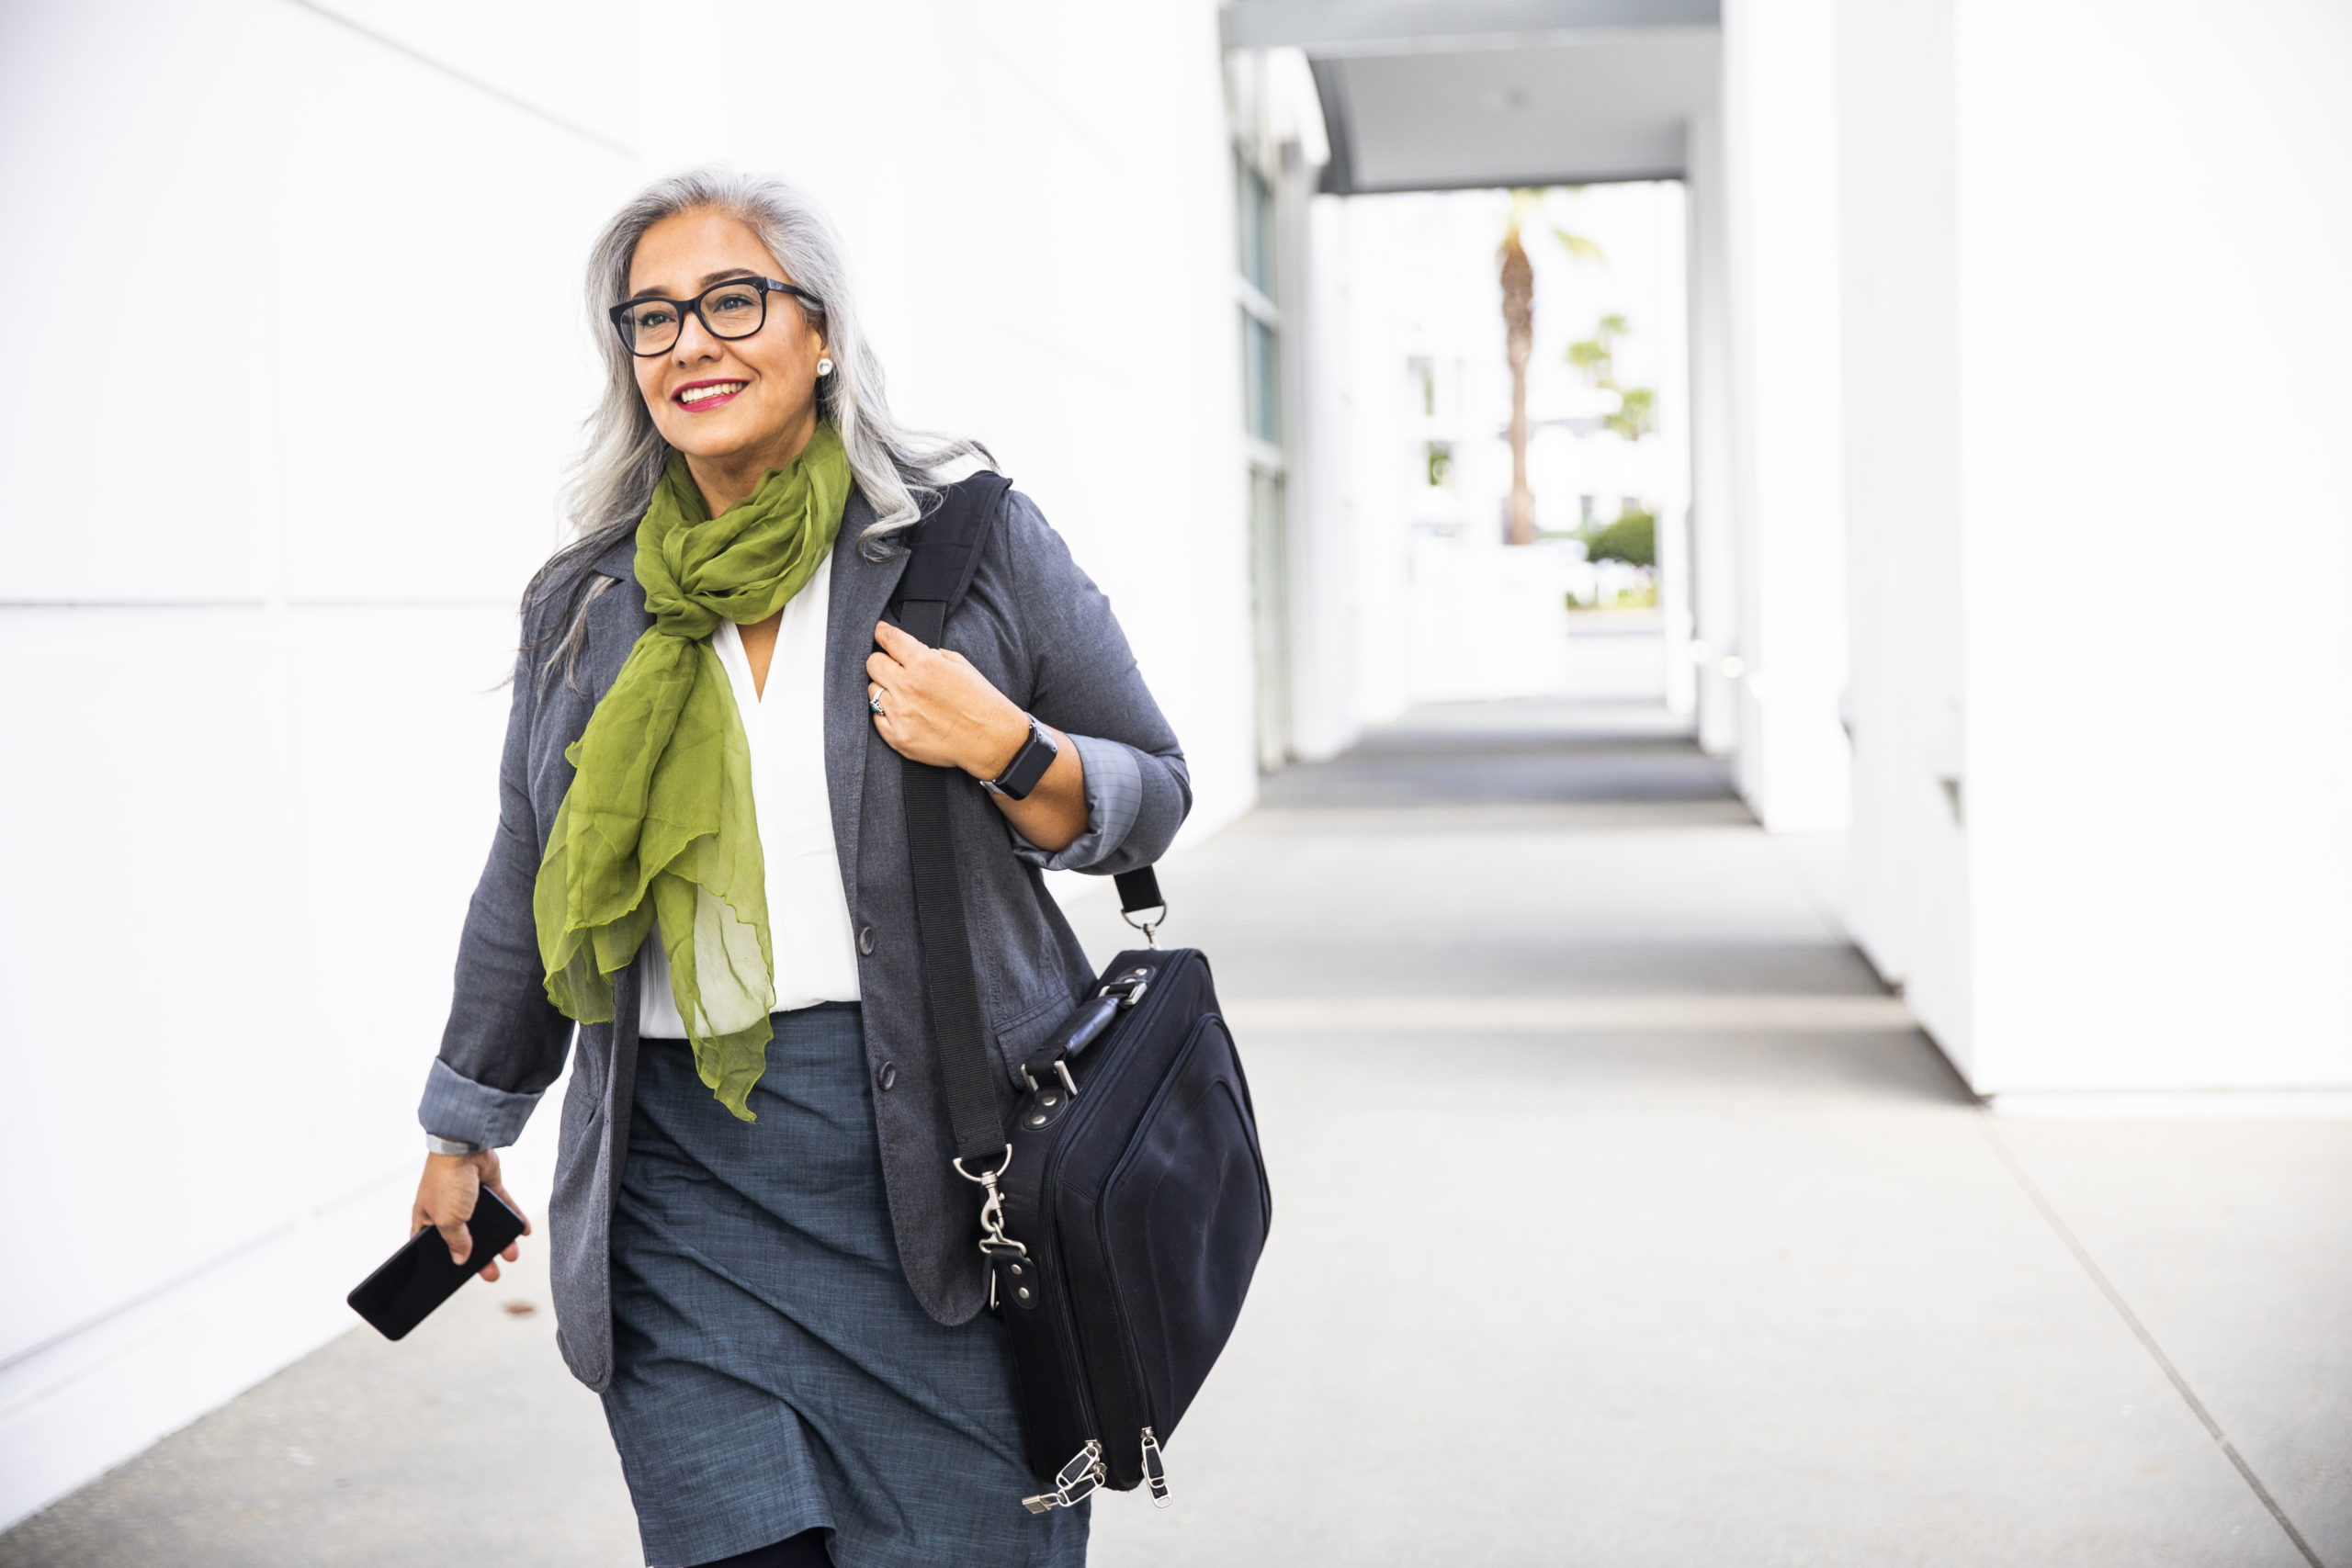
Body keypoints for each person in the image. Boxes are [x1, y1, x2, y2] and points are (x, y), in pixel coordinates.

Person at [406, 168, 1189, 1568]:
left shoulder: (967, 547)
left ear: (820, 331)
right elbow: (528, 883)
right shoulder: (590, 603)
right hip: (677, 1198)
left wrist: (1007, 745)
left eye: (731, 301)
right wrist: (465, 1127)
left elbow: (1152, 794)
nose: (688, 344)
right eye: (652, 318)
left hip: (948, 1189)